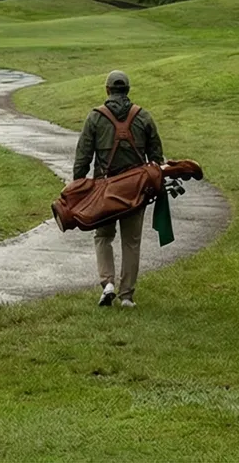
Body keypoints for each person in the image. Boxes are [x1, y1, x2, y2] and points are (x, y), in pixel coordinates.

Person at [71, 70, 164, 308]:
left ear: (107, 90)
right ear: (128, 90)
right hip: (136, 191)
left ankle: (107, 283)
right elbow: (156, 159)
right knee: (131, 242)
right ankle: (127, 296)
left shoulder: (95, 118)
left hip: (104, 191)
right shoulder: (143, 116)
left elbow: (83, 158)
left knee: (103, 236)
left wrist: (78, 188)